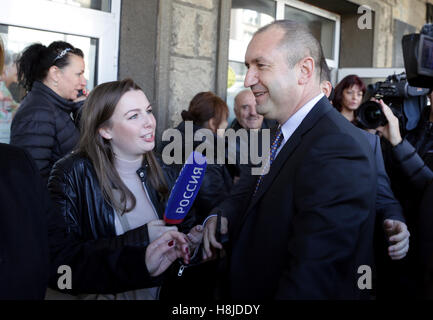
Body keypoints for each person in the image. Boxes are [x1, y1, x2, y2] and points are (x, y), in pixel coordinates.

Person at [203, 20, 377, 299]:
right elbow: (248, 190)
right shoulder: (273, 130)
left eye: (261, 65)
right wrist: (220, 215)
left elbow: (311, 277)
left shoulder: (340, 147)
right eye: (248, 66)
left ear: (304, 70)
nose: (248, 79)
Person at [47, 78, 201, 299]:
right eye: (134, 116)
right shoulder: (71, 174)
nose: (149, 122)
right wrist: (142, 237)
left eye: (148, 111)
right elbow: (60, 265)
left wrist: (193, 240)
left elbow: (184, 228)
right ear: (105, 130)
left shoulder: (167, 169)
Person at [10, 41, 87, 184]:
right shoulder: (37, 113)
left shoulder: (56, 107)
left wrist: (80, 109)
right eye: (79, 74)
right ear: (55, 74)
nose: (84, 82)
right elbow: (32, 180)